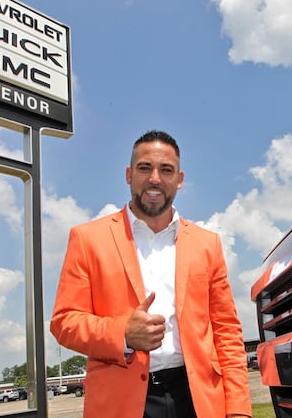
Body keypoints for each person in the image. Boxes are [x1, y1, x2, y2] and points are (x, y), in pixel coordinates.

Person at [50, 130, 252, 418]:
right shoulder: (87, 239)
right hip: (122, 402)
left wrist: (239, 409)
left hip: (197, 398)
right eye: (145, 168)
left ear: (179, 180)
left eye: (166, 170)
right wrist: (122, 334)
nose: (155, 178)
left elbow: (227, 332)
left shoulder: (208, 244)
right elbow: (64, 322)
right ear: (129, 174)